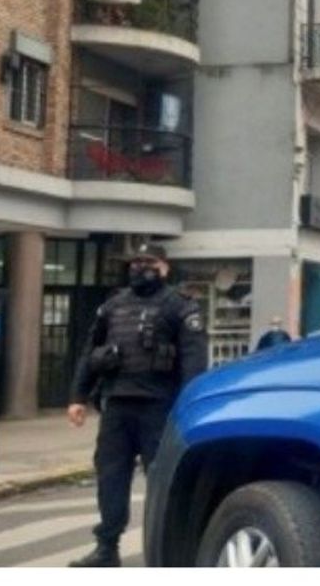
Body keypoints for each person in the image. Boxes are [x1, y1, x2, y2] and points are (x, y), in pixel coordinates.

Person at [66, 242, 207, 567]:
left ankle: (172, 552)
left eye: (149, 262)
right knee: (110, 477)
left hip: (160, 408)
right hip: (117, 405)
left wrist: (188, 407)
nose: (140, 267)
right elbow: (91, 353)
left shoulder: (179, 306)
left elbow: (193, 361)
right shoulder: (113, 306)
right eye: (136, 261)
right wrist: (78, 397)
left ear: (164, 267)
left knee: (165, 481)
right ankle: (107, 547)